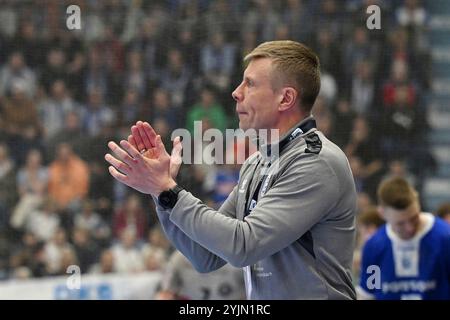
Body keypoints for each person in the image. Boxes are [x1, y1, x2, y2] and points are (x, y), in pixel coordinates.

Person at [105, 40, 357, 299]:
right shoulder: (257, 163)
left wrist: (169, 191)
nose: (236, 92)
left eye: (250, 83)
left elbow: (243, 245)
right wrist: (160, 193)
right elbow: (205, 256)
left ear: (286, 98)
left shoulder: (316, 162)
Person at [357, 177, 450, 300]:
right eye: (400, 223)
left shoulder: (445, 238)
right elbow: (368, 294)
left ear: (418, 203)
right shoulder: (374, 247)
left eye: (414, 218)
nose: (409, 228)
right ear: (382, 213)